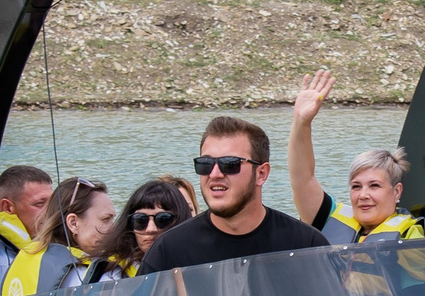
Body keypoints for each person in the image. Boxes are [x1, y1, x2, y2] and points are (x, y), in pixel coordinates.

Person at [136, 115, 330, 274]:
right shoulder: (167, 252)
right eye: (205, 164)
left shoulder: (307, 246)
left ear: (261, 174)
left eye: (230, 164)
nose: (215, 174)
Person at [288, 68, 423, 244]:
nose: (363, 195)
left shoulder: (411, 238)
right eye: (356, 186)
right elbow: (303, 179)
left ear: (397, 191)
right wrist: (301, 122)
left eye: (374, 185)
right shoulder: (329, 218)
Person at [0, 176, 119, 296]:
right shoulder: (93, 279)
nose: (114, 228)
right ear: (73, 223)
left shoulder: (22, 260)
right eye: (106, 219)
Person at [93, 176, 195, 281]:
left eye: (163, 219)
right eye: (140, 220)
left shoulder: (199, 262)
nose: (150, 229)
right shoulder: (112, 274)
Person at [0, 163, 53, 296]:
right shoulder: (2, 266)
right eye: (40, 204)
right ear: (7, 208)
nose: (52, 211)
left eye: (53, 203)